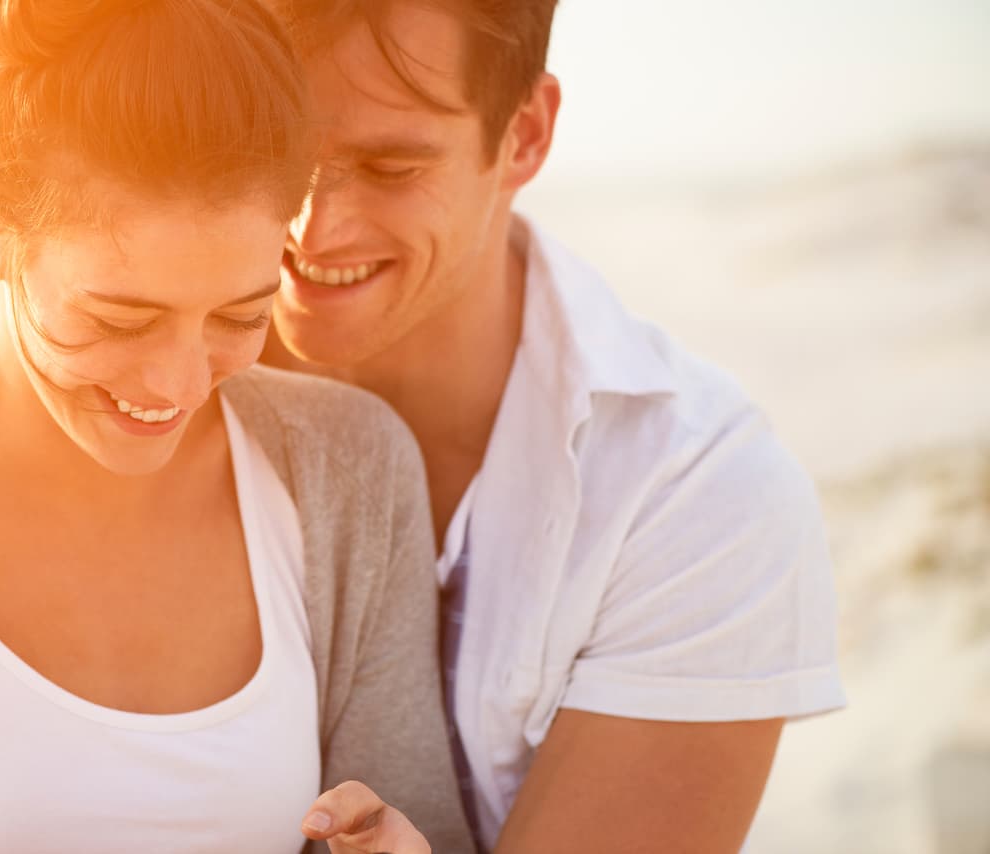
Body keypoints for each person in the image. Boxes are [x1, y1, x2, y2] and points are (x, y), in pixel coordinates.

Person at [0, 1, 473, 852]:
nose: (178, 386)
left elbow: (411, 823)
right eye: (121, 318)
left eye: (239, 316)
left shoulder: (346, 475)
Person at [262, 1, 848, 851]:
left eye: (389, 166)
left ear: (526, 135)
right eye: (277, 152)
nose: (313, 227)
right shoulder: (140, 388)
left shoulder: (698, 494)